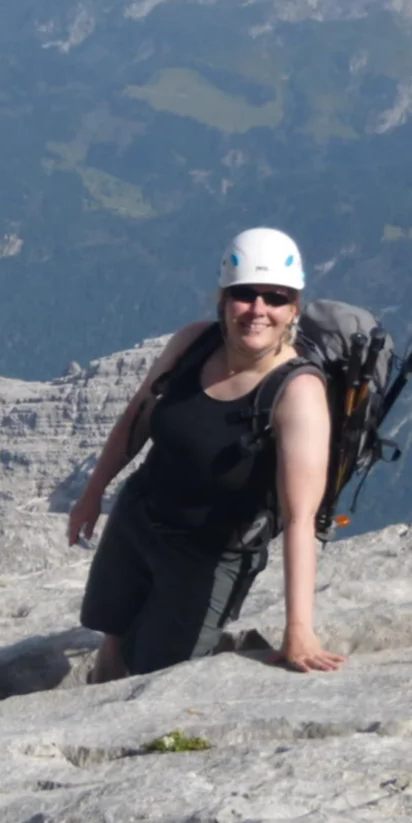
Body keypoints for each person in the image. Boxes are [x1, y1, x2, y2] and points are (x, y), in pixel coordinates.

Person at [66, 227, 346, 681]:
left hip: (208, 555)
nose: (258, 309)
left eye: (275, 298)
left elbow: (300, 518)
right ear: (223, 298)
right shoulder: (193, 344)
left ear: (293, 307)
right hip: (137, 520)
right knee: (112, 638)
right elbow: (137, 420)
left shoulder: (297, 392)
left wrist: (298, 630)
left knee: (158, 676)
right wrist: (92, 494)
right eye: (244, 294)